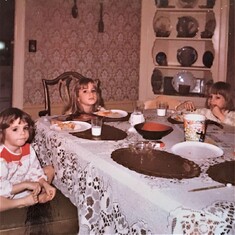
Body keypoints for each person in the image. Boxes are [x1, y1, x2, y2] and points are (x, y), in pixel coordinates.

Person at [0, 107, 56, 212]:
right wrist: (25, 184)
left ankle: (35, 197)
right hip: (6, 194)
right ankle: (21, 202)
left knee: (49, 169)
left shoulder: (27, 148)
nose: (22, 133)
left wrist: (45, 184)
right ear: (2, 133)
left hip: (26, 189)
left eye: (25, 128)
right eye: (15, 129)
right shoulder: (1, 156)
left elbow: (34, 170)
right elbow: (2, 188)